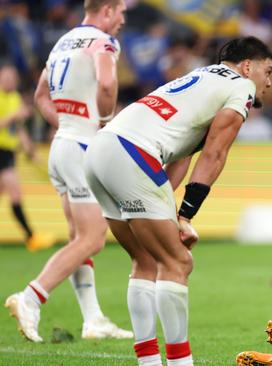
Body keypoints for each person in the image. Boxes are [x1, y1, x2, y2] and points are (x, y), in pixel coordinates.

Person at [83, 36, 272, 366]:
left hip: (101, 151)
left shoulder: (200, 77)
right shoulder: (241, 87)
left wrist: (174, 215)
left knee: (144, 259)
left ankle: (148, 362)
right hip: (134, 154)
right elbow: (215, 153)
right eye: (267, 71)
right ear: (247, 66)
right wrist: (186, 216)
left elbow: (181, 154)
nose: (268, 82)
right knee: (178, 263)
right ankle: (180, 363)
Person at [5, 0, 132, 343]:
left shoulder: (62, 42)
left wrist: (67, 124)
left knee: (81, 238)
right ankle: (31, 297)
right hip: (82, 149)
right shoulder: (104, 42)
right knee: (92, 238)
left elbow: (39, 95)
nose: (122, 21)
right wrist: (103, 124)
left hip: (62, 147)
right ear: (107, 10)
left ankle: (93, 320)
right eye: (120, 12)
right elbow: (107, 86)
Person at [0, 64, 56, 251]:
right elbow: (9, 121)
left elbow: (17, 128)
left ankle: (31, 237)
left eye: (12, 78)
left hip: (8, 152)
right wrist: (14, 115)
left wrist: (30, 149)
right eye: (6, 77)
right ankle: (31, 237)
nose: (10, 81)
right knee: (15, 193)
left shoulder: (15, 98)